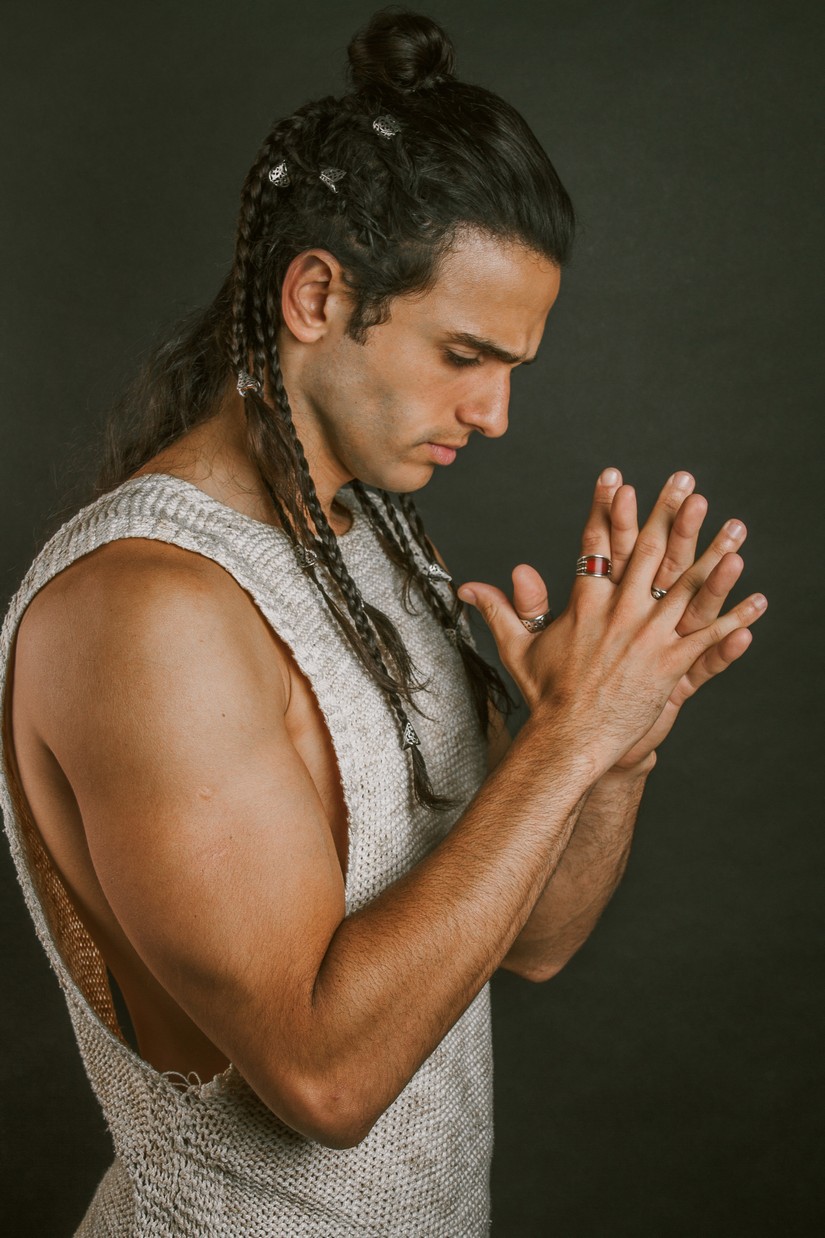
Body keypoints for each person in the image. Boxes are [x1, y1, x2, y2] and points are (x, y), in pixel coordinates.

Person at [0, 10, 767, 1236]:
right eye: (466, 353)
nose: (497, 413)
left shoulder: (373, 542)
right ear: (317, 294)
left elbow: (535, 938)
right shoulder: (143, 610)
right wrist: (565, 735)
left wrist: (616, 746)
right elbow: (327, 1076)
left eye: (514, 367)